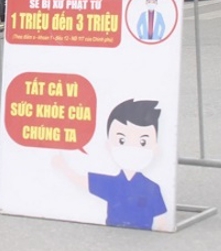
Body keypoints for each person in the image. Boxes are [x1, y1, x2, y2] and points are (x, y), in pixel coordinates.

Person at [54, 99, 168, 231]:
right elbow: (83, 181)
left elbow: (161, 220)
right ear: (109, 145)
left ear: (155, 148)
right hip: (113, 231)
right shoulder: (112, 184)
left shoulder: (152, 188)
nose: (131, 148)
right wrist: (63, 167)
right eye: (122, 140)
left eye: (143, 142)